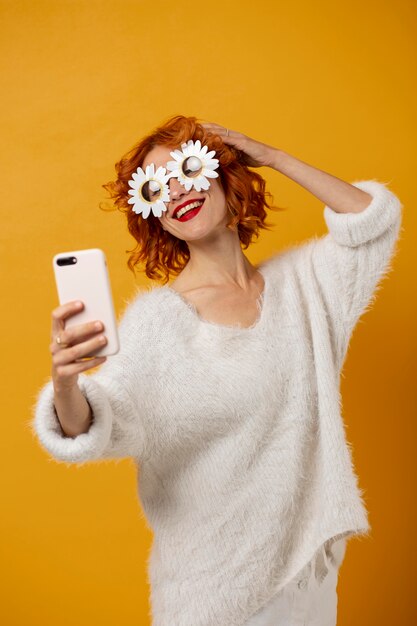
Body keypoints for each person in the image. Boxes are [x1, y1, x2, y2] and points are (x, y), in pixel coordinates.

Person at [32, 115, 403, 626]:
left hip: (304, 576)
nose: (177, 191)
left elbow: (372, 220)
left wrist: (273, 156)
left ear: (224, 175)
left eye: (187, 168)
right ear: (156, 217)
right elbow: (96, 425)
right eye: (157, 189)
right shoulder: (158, 322)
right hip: (212, 594)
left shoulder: (304, 287)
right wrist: (66, 381)